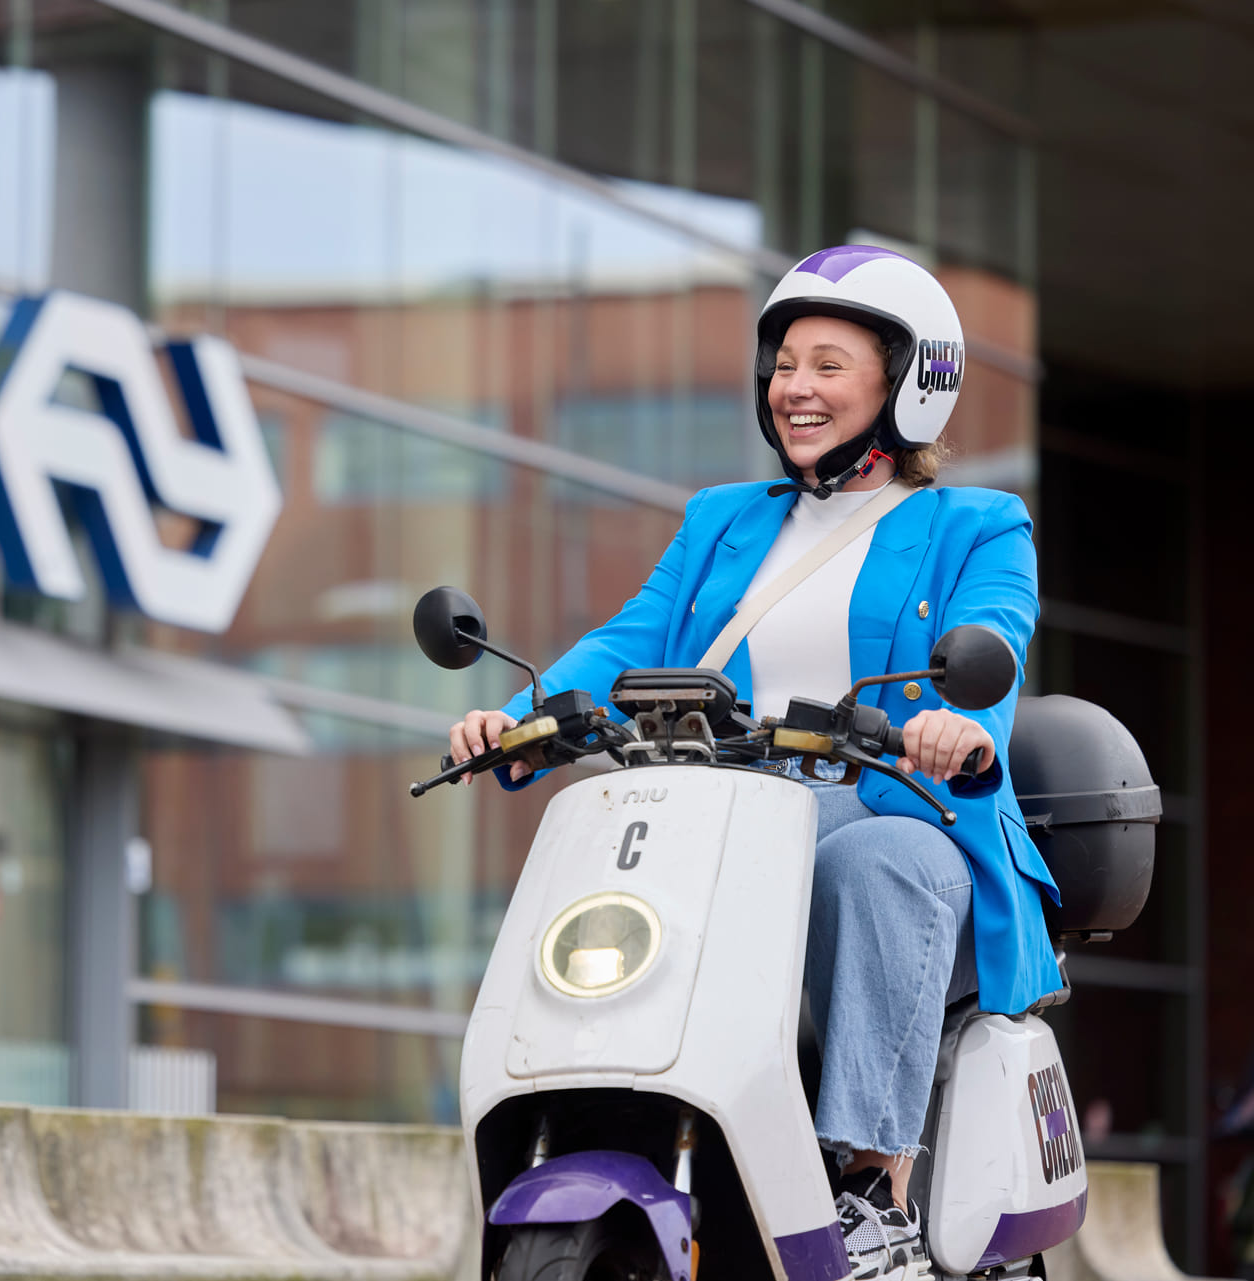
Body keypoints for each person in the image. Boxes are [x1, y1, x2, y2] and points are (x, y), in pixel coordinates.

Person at [446, 246, 1062, 1281]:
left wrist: (963, 727)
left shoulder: (978, 524)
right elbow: (625, 644)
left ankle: (874, 1191)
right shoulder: (723, 520)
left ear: (908, 384)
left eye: (828, 364)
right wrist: (516, 719)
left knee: (884, 863)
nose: (795, 388)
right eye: (783, 363)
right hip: (728, 821)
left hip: (897, 815)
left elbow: (991, 635)